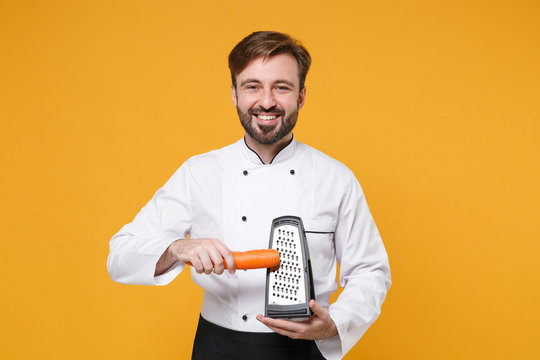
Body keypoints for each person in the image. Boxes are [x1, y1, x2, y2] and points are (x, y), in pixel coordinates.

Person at [107, 31, 391, 360]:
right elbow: (120, 255)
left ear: (301, 97)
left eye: (281, 87)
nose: (266, 101)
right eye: (252, 86)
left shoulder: (336, 178)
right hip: (218, 348)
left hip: (304, 350)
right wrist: (177, 248)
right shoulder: (198, 172)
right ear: (234, 94)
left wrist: (335, 324)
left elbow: (371, 271)